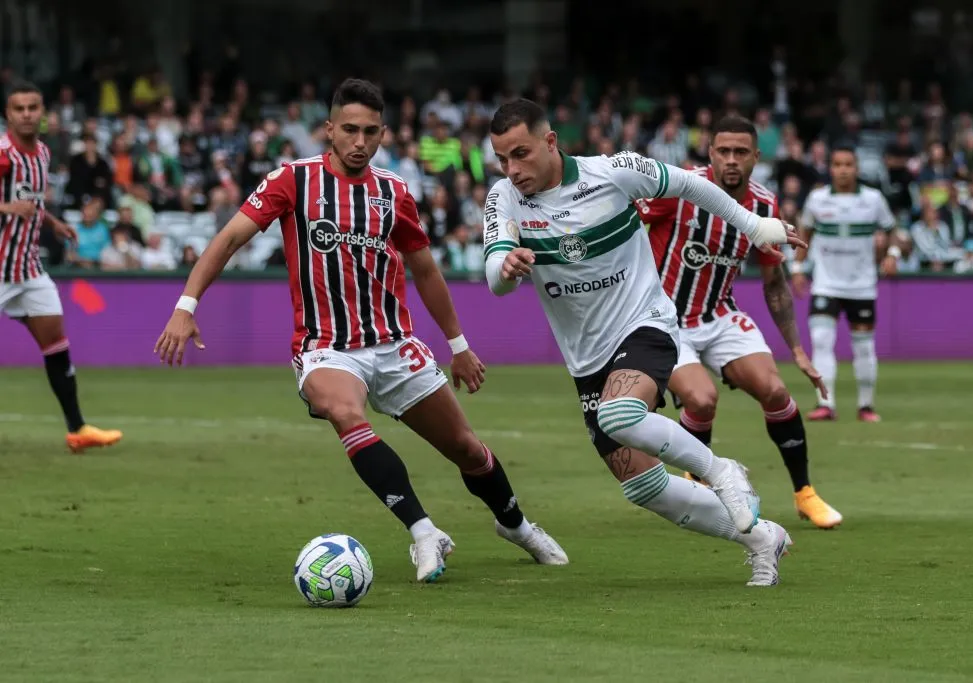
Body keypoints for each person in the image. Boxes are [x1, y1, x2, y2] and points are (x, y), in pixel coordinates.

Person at [154, 79, 567, 584]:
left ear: (383, 134)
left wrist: (458, 345)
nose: (360, 141)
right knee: (345, 412)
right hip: (326, 346)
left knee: (465, 447)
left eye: (371, 132)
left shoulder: (393, 192)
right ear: (329, 130)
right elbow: (229, 239)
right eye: (349, 129)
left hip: (394, 344)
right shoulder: (292, 181)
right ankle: (423, 531)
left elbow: (425, 270)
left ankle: (516, 525)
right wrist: (186, 305)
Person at [484, 98, 803, 587]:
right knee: (644, 487)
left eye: (520, 154)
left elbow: (692, 184)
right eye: (502, 159)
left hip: (644, 324)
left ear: (550, 142)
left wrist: (755, 226)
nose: (512, 169)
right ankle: (764, 539)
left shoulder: (614, 172)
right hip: (586, 358)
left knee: (619, 415)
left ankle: (722, 471)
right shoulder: (504, 197)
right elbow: (495, 276)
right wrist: (505, 267)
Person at [637, 116, 842, 529]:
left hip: (719, 313)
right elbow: (626, 220)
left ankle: (805, 493)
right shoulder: (679, 188)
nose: (731, 160)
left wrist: (797, 350)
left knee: (776, 391)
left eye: (741, 152)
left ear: (756, 157)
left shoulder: (764, 206)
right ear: (711, 153)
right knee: (702, 399)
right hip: (665, 320)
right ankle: (698, 478)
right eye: (724, 151)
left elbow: (775, 282)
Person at [0, 82, 123, 453]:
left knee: (56, 345)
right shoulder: (4, 155)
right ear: (8, 115)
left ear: (42, 114)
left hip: (28, 269)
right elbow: (14, 204)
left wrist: (52, 222)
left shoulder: (42, 153)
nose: (26, 114)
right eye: (19, 108)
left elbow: (31, 201)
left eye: (33, 107)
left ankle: (78, 429)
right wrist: (6, 209)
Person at [791, 144, 899, 422]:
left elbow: (892, 229)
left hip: (861, 285)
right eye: (838, 164)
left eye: (848, 165)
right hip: (826, 284)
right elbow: (805, 233)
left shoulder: (873, 199)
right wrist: (797, 268)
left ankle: (866, 406)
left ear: (856, 168)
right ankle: (825, 404)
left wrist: (892, 254)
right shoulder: (817, 199)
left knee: (863, 347)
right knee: (821, 340)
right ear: (831, 168)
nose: (843, 170)